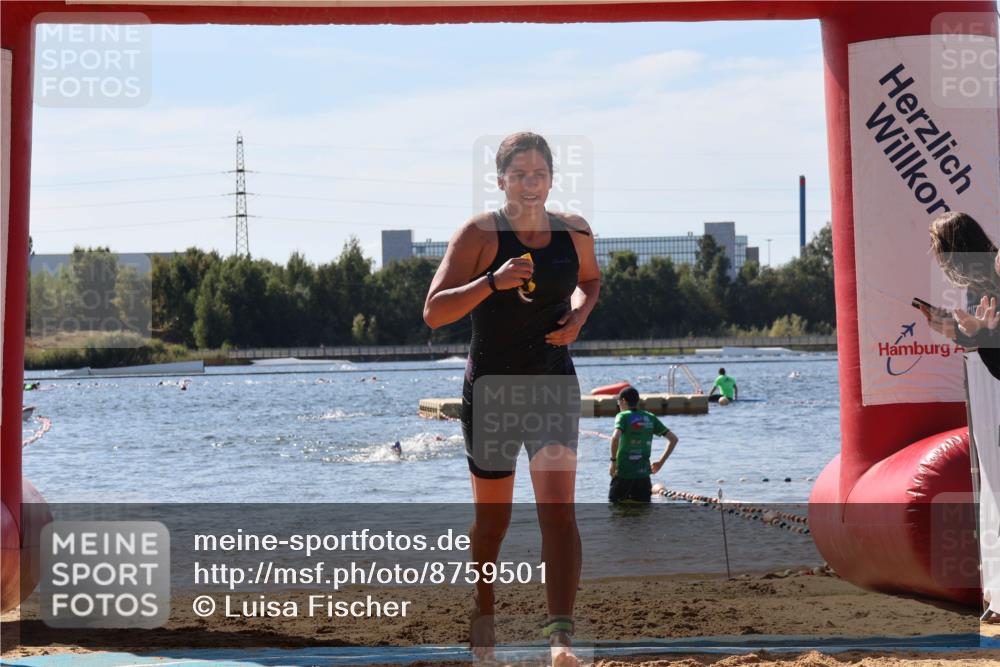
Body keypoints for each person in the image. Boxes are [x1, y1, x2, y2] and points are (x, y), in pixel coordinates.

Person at [423, 131, 600, 666]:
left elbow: (590, 281)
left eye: (538, 174)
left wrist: (579, 317)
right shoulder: (479, 235)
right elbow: (434, 312)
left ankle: (560, 642)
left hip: (552, 385)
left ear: (551, 179)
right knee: (493, 524)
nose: (529, 183)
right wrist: (491, 282)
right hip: (492, 392)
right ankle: (483, 621)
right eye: (518, 174)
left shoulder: (576, 232)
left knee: (558, 514)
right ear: (501, 181)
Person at [922, 212, 1000, 380]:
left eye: (936, 247)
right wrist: (954, 330)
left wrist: (975, 330)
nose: (935, 255)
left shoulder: (992, 276)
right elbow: (986, 333)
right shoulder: (976, 282)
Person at [609, 386, 679, 503]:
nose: (619, 405)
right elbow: (673, 439)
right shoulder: (650, 417)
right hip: (643, 478)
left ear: (624, 401)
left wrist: (613, 462)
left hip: (623, 475)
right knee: (643, 514)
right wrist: (660, 462)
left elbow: (615, 438)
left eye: (618, 402)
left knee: (616, 512)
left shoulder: (622, 416)